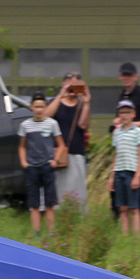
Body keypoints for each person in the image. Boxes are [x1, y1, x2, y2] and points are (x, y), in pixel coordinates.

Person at [109, 62, 140, 222]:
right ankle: (119, 220)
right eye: (124, 75)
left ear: (136, 77)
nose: (126, 78)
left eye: (129, 75)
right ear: (120, 76)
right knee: (119, 185)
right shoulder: (122, 95)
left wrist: (130, 125)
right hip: (123, 146)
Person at [17, 95, 67, 237]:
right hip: (32, 167)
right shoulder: (25, 125)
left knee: (50, 203)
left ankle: (51, 233)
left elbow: (61, 145)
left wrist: (55, 160)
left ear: (45, 107)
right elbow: (22, 146)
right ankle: (36, 232)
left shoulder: (51, 124)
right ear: (31, 107)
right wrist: (23, 161)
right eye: (36, 106)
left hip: (47, 166)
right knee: (34, 204)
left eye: (42, 106)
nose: (39, 109)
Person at [46, 70, 91, 206]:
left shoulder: (81, 105)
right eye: (69, 84)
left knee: (77, 190)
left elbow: (83, 125)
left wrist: (87, 102)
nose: (72, 87)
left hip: (76, 152)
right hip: (58, 154)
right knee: (59, 189)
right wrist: (61, 95)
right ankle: (59, 217)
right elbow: (46, 117)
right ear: (63, 84)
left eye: (76, 84)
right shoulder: (57, 102)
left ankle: (77, 218)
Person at [108, 99, 140, 236]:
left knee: (134, 208)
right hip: (119, 171)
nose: (124, 115)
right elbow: (116, 155)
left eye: (127, 112)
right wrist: (112, 176)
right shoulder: (117, 133)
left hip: (132, 172)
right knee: (122, 207)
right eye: (122, 112)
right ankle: (125, 236)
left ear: (133, 114)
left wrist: (137, 176)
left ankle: (137, 237)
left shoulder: (138, 131)